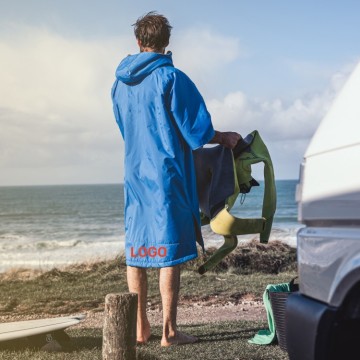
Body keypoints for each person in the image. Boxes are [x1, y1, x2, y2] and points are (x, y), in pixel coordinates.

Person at [111, 11, 241, 346]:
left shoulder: (119, 84)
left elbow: (126, 129)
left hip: (135, 175)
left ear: (138, 42)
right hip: (167, 175)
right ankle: (169, 331)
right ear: (166, 43)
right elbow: (195, 129)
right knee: (168, 250)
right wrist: (222, 136)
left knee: (137, 251)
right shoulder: (172, 78)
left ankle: (140, 328)